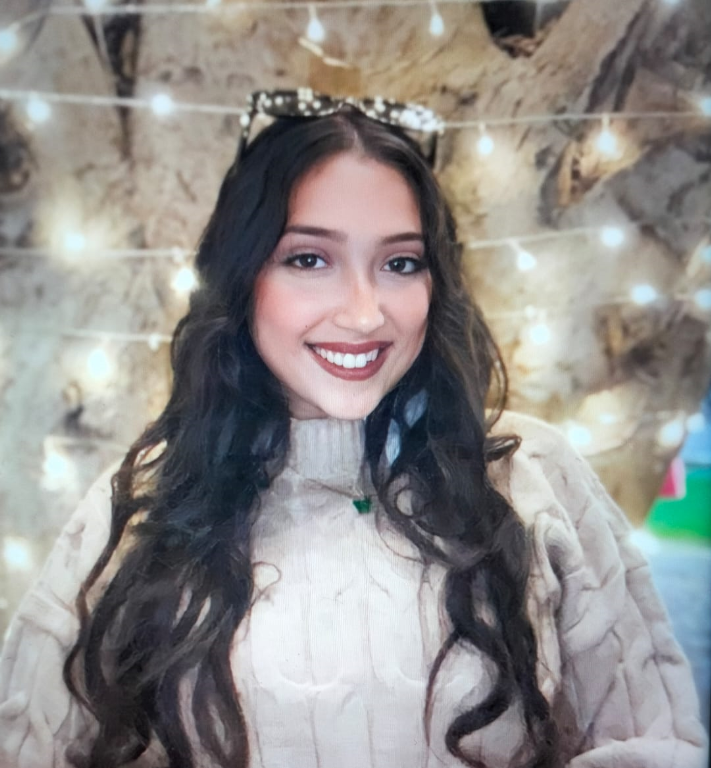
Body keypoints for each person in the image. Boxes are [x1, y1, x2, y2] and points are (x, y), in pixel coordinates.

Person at [0, 90, 707, 768]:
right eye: (310, 259)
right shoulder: (145, 505)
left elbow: (652, 743)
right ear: (241, 278)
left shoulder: (530, 475)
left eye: (400, 263)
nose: (365, 314)